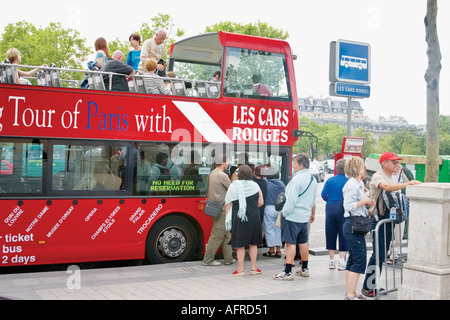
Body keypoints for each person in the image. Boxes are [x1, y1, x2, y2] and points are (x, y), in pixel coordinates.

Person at [361, 152, 421, 298]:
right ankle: (368, 287)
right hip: (378, 221)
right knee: (378, 254)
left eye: (397, 162)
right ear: (384, 163)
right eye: (393, 162)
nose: (397, 165)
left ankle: (373, 285)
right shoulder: (378, 176)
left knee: (381, 254)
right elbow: (386, 187)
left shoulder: (394, 177)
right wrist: (408, 183)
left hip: (388, 221)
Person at [273, 153, 317, 280]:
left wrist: (285, 213)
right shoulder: (312, 179)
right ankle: (304, 268)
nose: (292, 166)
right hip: (304, 216)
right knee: (303, 242)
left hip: (292, 216)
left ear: (301, 165)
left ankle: (287, 272)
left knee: (290, 243)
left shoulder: (297, 179)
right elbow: (313, 199)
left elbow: (291, 200)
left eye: (294, 163)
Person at [342, 156, 375, 300]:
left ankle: (351, 292)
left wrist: (365, 201)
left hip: (354, 224)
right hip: (353, 225)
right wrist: (365, 201)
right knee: (360, 259)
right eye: (362, 167)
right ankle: (350, 294)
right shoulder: (352, 184)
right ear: (357, 168)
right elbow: (348, 205)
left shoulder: (357, 184)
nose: (364, 170)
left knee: (353, 260)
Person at [224, 164, 264, 276]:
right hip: (254, 217)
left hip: (239, 217)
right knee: (253, 243)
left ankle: (240, 270)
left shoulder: (234, 186)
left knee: (240, 244)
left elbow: (228, 204)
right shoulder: (255, 186)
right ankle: (254, 268)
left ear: (239, 174)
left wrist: (228, 218)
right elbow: (261, 202)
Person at [202, 154, 234, 267]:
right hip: (221, 209)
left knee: (226, 235)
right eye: (228, 161)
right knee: (217, 236)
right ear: (224, 163)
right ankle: (208, 260)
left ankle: (229, 259)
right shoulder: (222, 175)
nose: (229, 164)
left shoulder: (213, 173)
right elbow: (232, 190)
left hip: (215, 208)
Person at [321, 159, 348, 270]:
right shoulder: (348, 180)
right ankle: (342, 261)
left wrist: (330, 200)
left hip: (330, 207)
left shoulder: (330, 180)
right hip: (342, 207)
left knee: (330, 233)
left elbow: (323, 195)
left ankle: (331, 261)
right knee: (343, 234)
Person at [262, 170, 285, 258]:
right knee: (278, 229)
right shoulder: (282, 184)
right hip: (280, 208)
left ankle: (271, 250)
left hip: (269, 207)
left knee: (269, 229)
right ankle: (278, 250)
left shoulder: (267, 184)